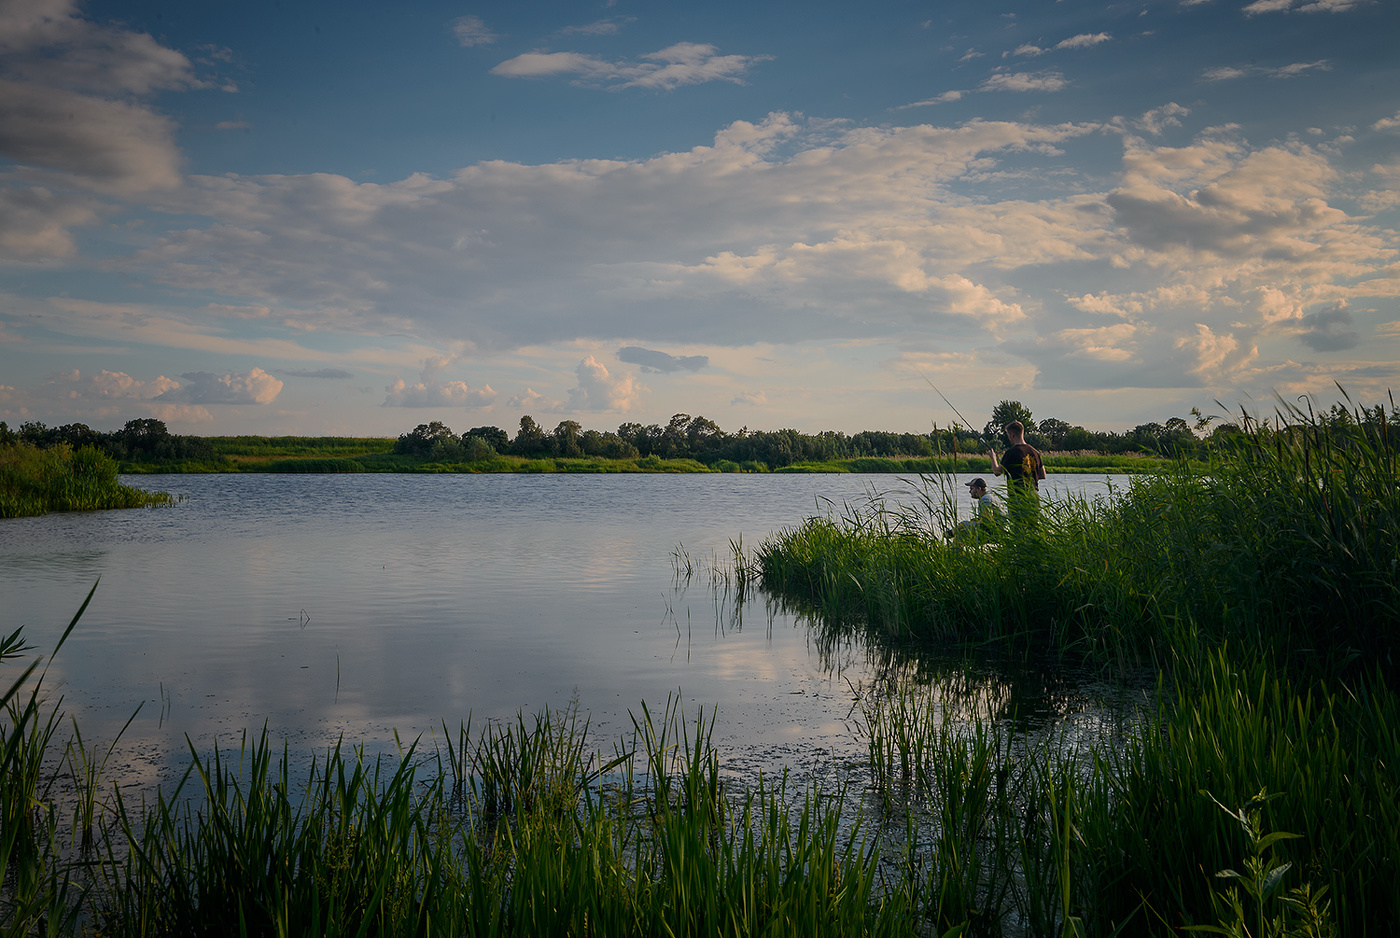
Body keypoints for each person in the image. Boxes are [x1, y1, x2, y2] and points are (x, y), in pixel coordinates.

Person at [987, 420, 1046, 528]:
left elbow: (996, 472)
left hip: (1017, 498)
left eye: (1008, 435)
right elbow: (1042, 475)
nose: (1009, 438)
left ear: (1012, 434)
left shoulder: (1011, 453)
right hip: (1034, 497)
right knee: (1033, 530)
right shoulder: (1035, 452)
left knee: (1018, 531)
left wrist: (993, 458)